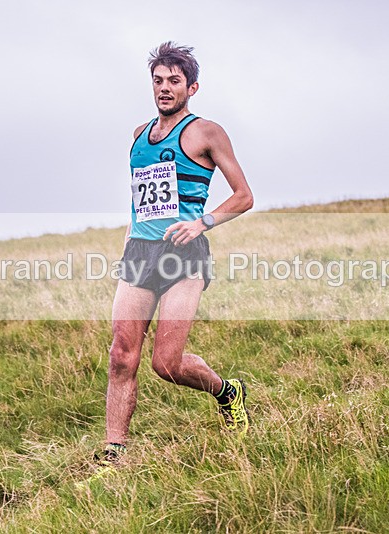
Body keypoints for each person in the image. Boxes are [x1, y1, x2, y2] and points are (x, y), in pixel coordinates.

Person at [96, 42, 254, 469]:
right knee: (121, 354)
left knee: (166, 364)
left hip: (184, 253)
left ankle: (227, 392)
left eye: (174, 81)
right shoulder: (137, 137)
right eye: (158, 81)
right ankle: (115, 453)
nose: (164, 88)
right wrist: (128, 245)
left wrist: (202, 222)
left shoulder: (206, 132)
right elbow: (140, 203)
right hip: (138, 252)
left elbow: (244, 197)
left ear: (192, 86)